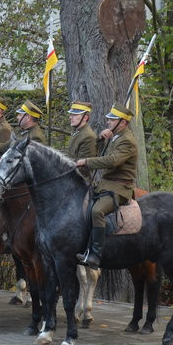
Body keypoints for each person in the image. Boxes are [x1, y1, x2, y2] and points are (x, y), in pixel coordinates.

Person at [74, 103, 138, 269]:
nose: (108, 121)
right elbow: (101, 153)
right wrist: (101, 139)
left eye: (112, 119)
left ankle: (95, 254)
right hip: (105, 184)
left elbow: (112, 161)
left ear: (122, 122)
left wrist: (86, 162)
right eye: (109, 119)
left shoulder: (128, 141)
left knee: (97, 211)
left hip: (119, 187)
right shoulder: (115, 136)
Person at [66, 100, 98, 179]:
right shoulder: (78, 132)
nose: (70, 117)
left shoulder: (88, 136)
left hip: (80, 182)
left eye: (75, 115)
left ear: (85, 118)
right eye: (71, 114)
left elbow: (83, 169)